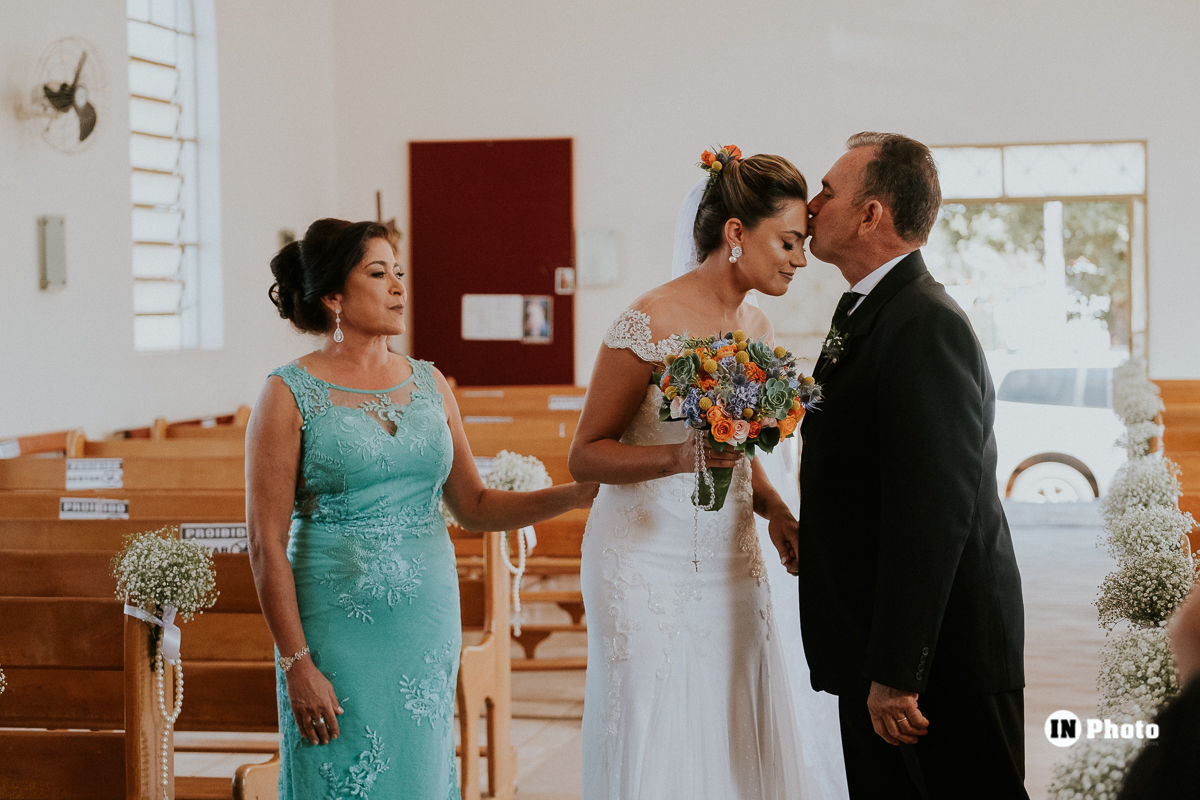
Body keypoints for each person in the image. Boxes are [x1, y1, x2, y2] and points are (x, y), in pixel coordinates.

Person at [245, 218, 596, 799]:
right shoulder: (286, 393)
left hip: (424, 625)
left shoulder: (431, 384)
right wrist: (297, 664)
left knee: (421, 774)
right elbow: (263, 544)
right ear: (334, 294)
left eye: (399, 273)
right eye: (378, 273)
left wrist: (575, 494)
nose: (398, 287)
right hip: (333, 629)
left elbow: (475, 505)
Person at [569, 147, 847, 799]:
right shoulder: (646, 323)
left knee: (730, 718)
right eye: (788, 241)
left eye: (802, 244)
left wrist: (774, 507)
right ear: (735, 234)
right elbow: (586, 454)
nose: (800, 259)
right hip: (642, 559)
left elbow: (739, 453)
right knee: (651, 720)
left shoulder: (755, 325)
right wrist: (677, 458)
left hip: (729, 558)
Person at [796, 132, 1028, 799]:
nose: (812, 206)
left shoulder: (925, 323)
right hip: (877, 641)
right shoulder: (869, 309)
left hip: (936, 658)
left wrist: (900, 669)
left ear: (871, 215)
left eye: (828, 191)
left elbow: (935, 508)